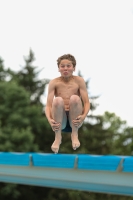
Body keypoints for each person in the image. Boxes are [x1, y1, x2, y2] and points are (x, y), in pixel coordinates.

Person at [45, 54, 90, 153]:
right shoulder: (54, 82)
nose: (65, 68)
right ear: (59, 69)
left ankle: (74, 134)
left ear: (73, 68)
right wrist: (49, 120)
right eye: (62, 66)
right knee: (57, 100)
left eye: (68, 66)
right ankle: (57, 137)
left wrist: (83, 117)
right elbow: (48, 105)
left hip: (75, 120)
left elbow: (86, 103)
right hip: (60, 121)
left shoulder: (79, 81)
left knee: (75, 98)